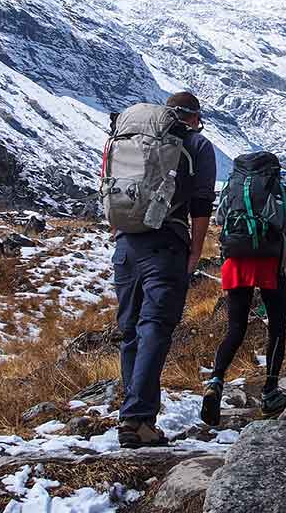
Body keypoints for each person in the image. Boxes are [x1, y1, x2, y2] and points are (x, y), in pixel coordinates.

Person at [111, 91, 216, 448]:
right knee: (154, 329)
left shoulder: (128, 137)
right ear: (193, 117)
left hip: (126, 244)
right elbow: (201, 205)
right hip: (166, 244)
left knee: (130, 332)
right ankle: (138, 419)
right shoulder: (197, 145)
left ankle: (131, 415)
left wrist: (121, 233)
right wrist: (196, 251)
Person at [200, 159, 286, 425]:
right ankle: (270, 392)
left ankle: (216, 380)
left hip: (236, 260)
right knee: (277, 327)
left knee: (235, 327)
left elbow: (220, 219)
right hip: (268, 262)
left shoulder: (233, 188)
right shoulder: (280, 190)